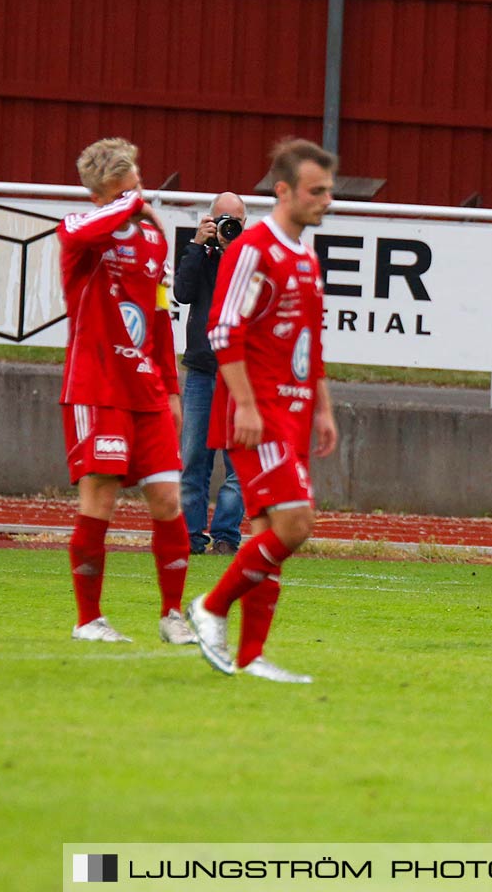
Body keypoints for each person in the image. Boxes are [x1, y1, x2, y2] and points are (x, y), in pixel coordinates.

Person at [187, 139, 339, 684]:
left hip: (293, 412)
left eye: (329, 191)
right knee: (296, 524)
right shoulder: (254, 247)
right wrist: (246, 405)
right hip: (259, 411)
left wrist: (323, 410)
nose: (325, 200)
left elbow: (310, 344)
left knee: (266, 531)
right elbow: (223, 330)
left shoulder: (304, 255)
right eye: (315, 191)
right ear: (283, 190)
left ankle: (252, 656)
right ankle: (212, 607)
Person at [56, 138, 195, 646]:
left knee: (166, 496)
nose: (142, 187)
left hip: (148, 389)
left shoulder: (154, 239)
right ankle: (88, 619)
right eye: (132, 179)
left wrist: (172, 389)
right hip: (97, 386)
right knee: (102, 498)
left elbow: (158, 316)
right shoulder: (79, 229)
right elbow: (87, 226)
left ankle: (172, 614)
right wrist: (130, 201)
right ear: (111, 186)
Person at [174, 192, 247, 556]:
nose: (228, 229)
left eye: (236, 222)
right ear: (210, 221)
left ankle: (226, 536)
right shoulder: (200, 255)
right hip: (203, 368)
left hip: (240, 373)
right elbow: (183, 293)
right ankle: (189, 535)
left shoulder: (252, 258)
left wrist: (235, 251)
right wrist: (197, 246)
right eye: (223, 221)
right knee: (192, 456)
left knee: (239, 460)